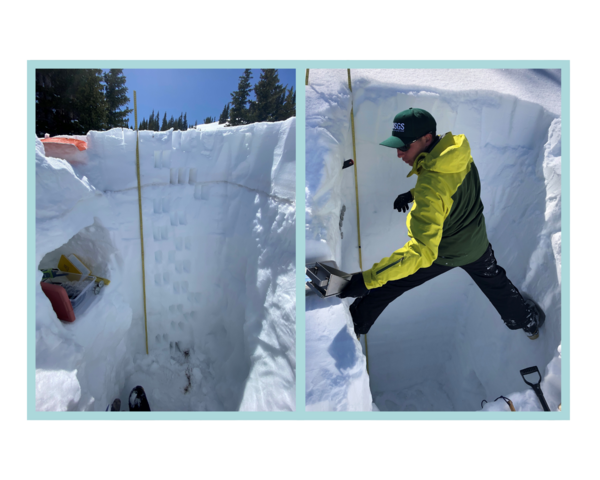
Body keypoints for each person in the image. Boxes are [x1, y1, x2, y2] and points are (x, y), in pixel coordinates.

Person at [339, 108, 545, 340]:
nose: (398, 153)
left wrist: (366, 279)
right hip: (476, 243)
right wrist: (413, 193)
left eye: (404, 146)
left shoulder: (431, 186)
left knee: (388, 284)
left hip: (443, 252)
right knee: (497, 284)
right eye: (397, 146)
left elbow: (422, 252)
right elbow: (448, 186)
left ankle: (352, 329)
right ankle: (528, 322)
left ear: (427, 139)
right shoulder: (456, 153)